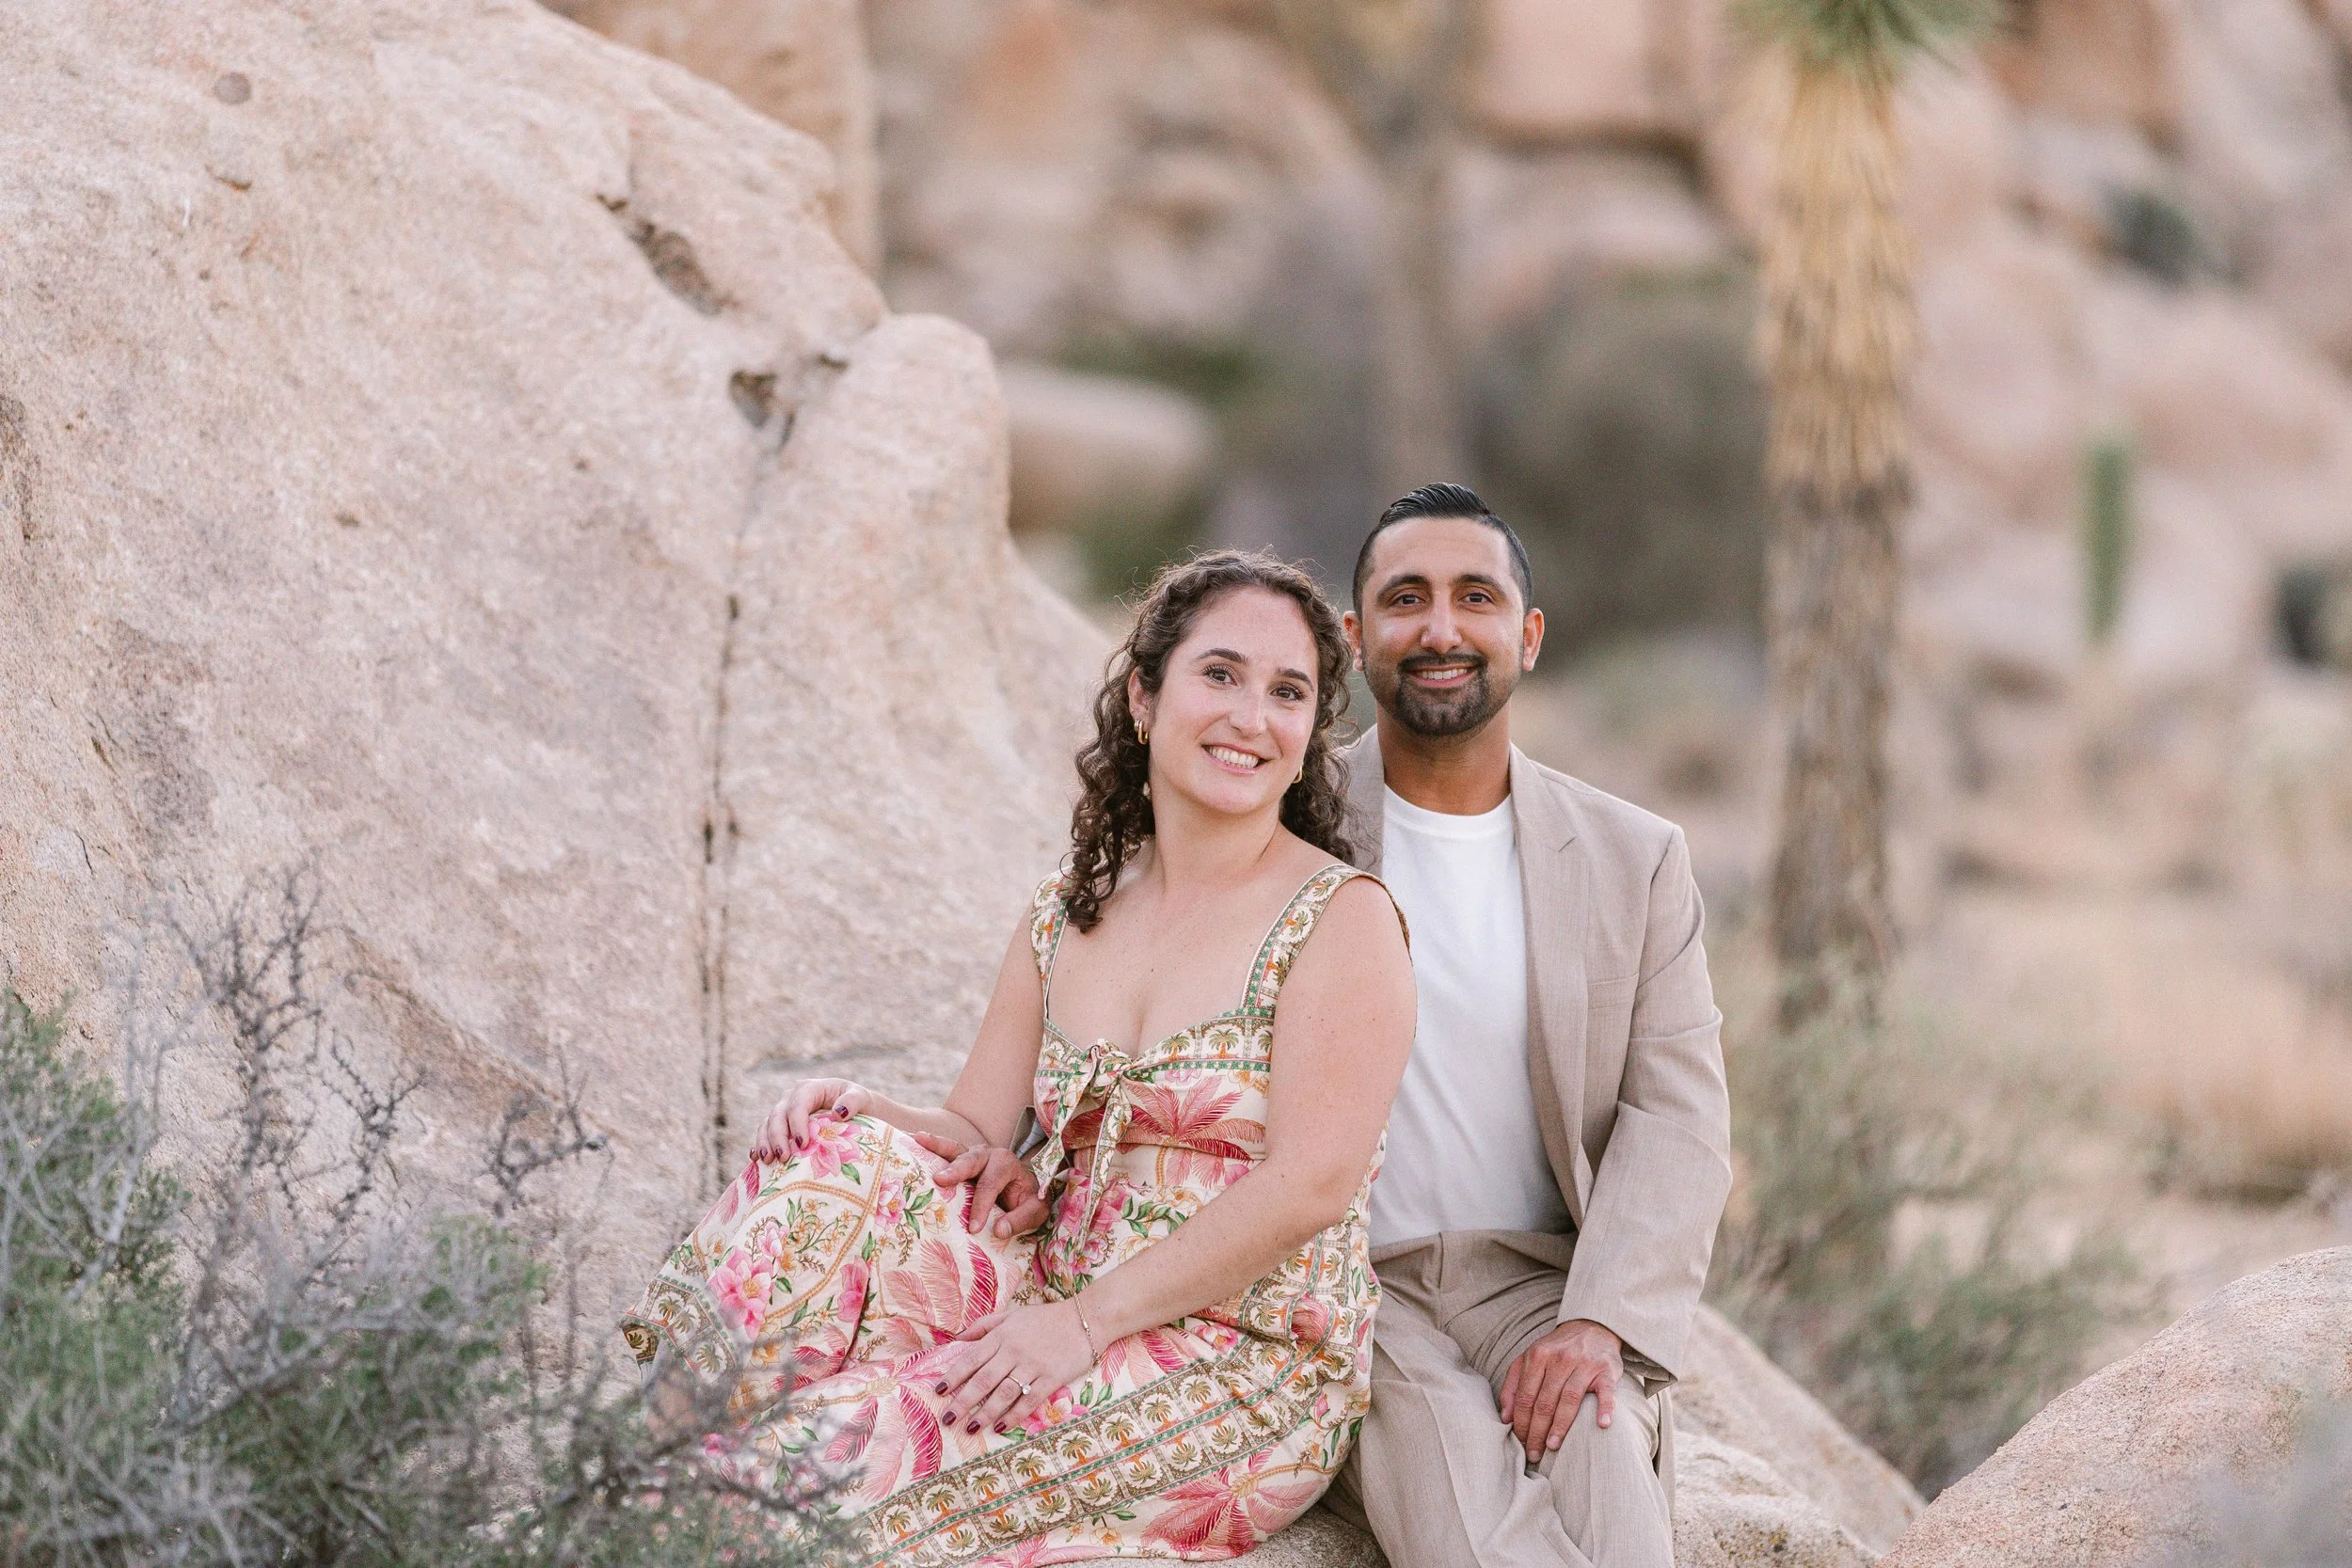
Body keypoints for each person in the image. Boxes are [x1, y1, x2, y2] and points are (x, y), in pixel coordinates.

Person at [622, 551, 1416, 1568]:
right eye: (1219, 674)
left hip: (1238, 1356)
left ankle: (722, 1500)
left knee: (820, 1460)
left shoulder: (1339, 919)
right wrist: (863, 1114)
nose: (1251, 716)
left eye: (1288, 691)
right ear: (1143, 694)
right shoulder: (1072, 909)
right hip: (1048, 1286)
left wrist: (1081, 1326)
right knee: (829, 1176)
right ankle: (641, 1460)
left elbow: (1309, 1184)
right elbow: (972, 1133)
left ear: (1310, 731)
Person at [1324, 483, 1733, 1568]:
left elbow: (1677, 1120)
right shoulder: (1288, 825)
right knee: (1471, 1529)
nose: (1442, 629)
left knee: (1617, 1506)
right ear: (1357, 636)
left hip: (1543, 1285)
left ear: (1528, 635)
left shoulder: (1632, 856)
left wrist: (1599, 1321)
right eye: (1405, 599)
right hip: (1356, 1288)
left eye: (1475, 597)